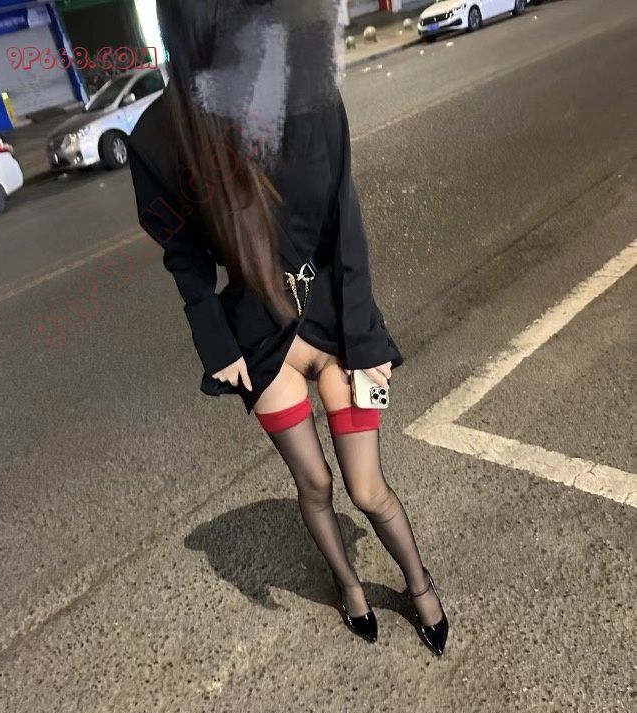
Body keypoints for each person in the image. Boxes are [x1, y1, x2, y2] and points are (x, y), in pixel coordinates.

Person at [128, 0, 449, 656]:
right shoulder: (161, 134)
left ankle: (420, 588)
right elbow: (183, 255)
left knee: (367, 489)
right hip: (258, 335)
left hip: (339, 323)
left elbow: (346, 226)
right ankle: (350, 588)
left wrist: (367, 340)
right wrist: (213, 339)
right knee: (315, 485)